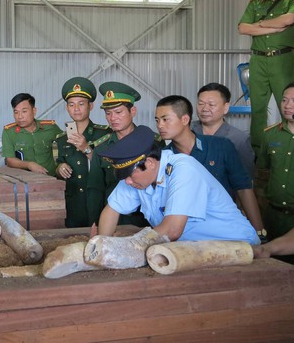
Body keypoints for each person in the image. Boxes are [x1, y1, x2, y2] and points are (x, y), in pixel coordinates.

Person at [96, 125, 260, 245]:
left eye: (130, 175)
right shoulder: (136, 178)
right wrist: (102, 244)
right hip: (193, 249)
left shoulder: (183, 169)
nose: (127, 182)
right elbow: (112, 209)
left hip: (235, 247)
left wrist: (126, 247)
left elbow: (172, 230)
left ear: (151, 163)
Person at [155, 95, 265, 234]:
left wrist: (259, 231)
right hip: (187, 231)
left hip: (225, 228)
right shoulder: (164, 158)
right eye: (157, 120)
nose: (160, 125)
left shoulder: (220, 146)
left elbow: (243, 189)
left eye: (165, 119)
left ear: (185, 119)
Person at [238, 0, 294, 153]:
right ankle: (259, 153)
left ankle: (290, 148)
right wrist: (274, 26)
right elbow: (243, 28)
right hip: (258, 60)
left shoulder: (292, 0)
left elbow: (289, 18)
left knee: (288, 107)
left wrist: (260, 25)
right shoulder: (255, 3)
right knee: (258, 109)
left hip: (283, 60)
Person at [87, 81, 160, 227]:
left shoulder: (154, 142)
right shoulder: (101, 148)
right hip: (113, 218)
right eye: (108, 113)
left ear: (132, 111)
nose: (113, 118)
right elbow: (95, 189)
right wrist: (94, 223)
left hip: (146, 219)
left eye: (118, 112)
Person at [55, 77, 111, 227]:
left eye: (81, 104)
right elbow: (58, 164)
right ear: (67, 108)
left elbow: (109, 167)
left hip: (97, 201)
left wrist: (86, 148)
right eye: (71, 105)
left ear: (90, 106)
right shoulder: (61, 138)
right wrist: (60, 168)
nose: (76, 109)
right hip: (72, 203)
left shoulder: (104, 134)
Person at [258, 82, 294, 263]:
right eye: (285, 100)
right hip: (273, 217)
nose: (288, 105)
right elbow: (262, 174)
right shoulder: (270, 135)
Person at [191, 82, 255, 178]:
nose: (204, 109)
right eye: (201, 104)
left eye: (211, 104)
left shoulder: (239, 139)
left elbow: (246, 179)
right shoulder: (187, 130)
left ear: (226, 107)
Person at [1, 93, 61, 176]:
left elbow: (67, 144)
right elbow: (9, 160)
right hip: (25, 181)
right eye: (16, 112)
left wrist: (62, 165)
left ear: (34, 111)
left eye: (24, 111)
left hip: (51, 179)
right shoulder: (9, 132)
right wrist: (29, 165)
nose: (20, 116)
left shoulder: (50, 127)